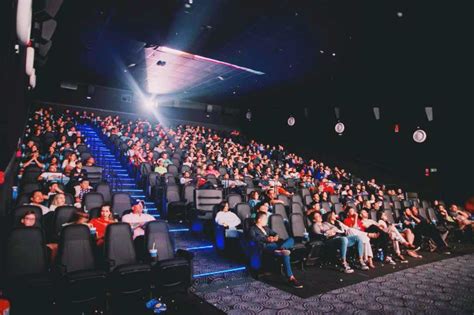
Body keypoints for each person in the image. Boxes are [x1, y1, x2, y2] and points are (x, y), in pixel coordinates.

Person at [249, 211, 303, 288]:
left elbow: (275, 233)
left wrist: (275, 237)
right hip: (266, 246)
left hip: (276, 244)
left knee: (291, 239)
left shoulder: (266, 228)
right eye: (265, 219)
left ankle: (282, 249)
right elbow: (254, 239)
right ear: (259, 220)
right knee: (285, 255)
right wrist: (267, 239)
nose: (266, 220)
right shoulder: (253, 229)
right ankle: (291, 278)